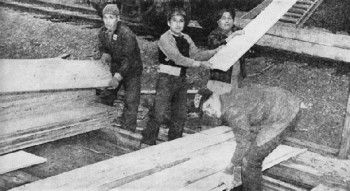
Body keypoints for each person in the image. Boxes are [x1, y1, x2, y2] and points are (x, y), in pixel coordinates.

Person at [194, 85, 301, 191]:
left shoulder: (232, 110)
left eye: (209, 105)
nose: (210, 112)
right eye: (206, 111)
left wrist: (228, 170)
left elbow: (244, 144)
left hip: (286, 113)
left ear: (215, 96)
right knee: (248, 150)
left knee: (250, 161)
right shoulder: (227, 99)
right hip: (286, 102)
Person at [141, 7, 222, 146]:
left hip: (181, 81)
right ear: (168, 23)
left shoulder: (186, 38)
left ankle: (174, 144)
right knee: (158, 113)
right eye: (174, 21)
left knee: (180, 115)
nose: (178, 24)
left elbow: (196, 54)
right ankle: (147, 143)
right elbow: (177, 58)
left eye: (181, 21)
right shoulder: (165, 38)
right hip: (166, 80)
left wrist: (215, 51)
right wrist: (199, 64)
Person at [95, 4, 143, 133]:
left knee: (131, 102)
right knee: (106, 96)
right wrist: (104, 54)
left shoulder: (126, 34)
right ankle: (101, 125)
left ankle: (127, 131)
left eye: (111, 17)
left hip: (132, 70)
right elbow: (103, 47)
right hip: (116, 67)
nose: (107, 21)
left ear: (118, 18)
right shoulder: (102, 32)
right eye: (105, 17)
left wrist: (117, 77)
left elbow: (128, 59)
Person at [207, 8, 245, 95]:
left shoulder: (237, 30)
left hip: (235, 72)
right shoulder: (213, 35)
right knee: (219, 98)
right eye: (223, 18)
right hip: (220, 76)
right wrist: (231, 37)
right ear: (218, 21)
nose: (227, 21)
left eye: (229, 18)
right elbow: (216, 44)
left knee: (233, 96)